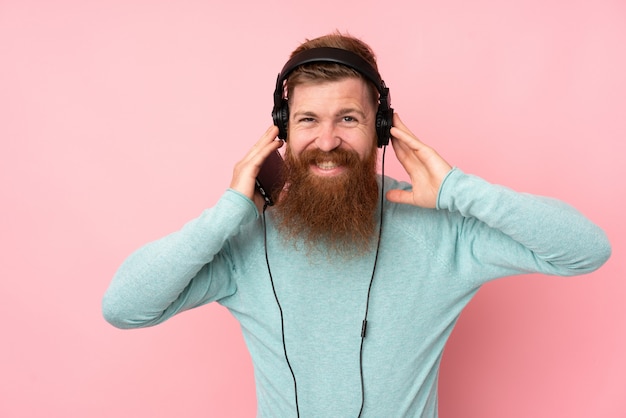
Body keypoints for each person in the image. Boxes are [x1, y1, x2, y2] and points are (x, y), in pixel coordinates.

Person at [102, 32, 612, 417]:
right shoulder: (243, 239)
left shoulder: (444, 231)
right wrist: (229, 210)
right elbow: (124, 308)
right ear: (281, 130)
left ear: (381, 130)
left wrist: (458, 188)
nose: (327, 141)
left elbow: (585, 249)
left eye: (348, 118)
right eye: (307, 120)